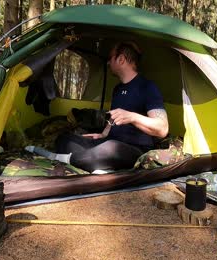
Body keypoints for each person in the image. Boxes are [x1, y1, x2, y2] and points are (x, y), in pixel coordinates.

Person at [26, 42, 169, 172]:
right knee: (65, 139)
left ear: (121, 59)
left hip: (134, 149)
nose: (108, 63)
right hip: (109, 141)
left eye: (110, 58)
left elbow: (162, 128)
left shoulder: (147, 87)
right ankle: (96, 164)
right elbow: (113, 118)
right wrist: (103, 134)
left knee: (110, 149)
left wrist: (132, 117)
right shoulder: (118, 89)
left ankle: (66, 159)